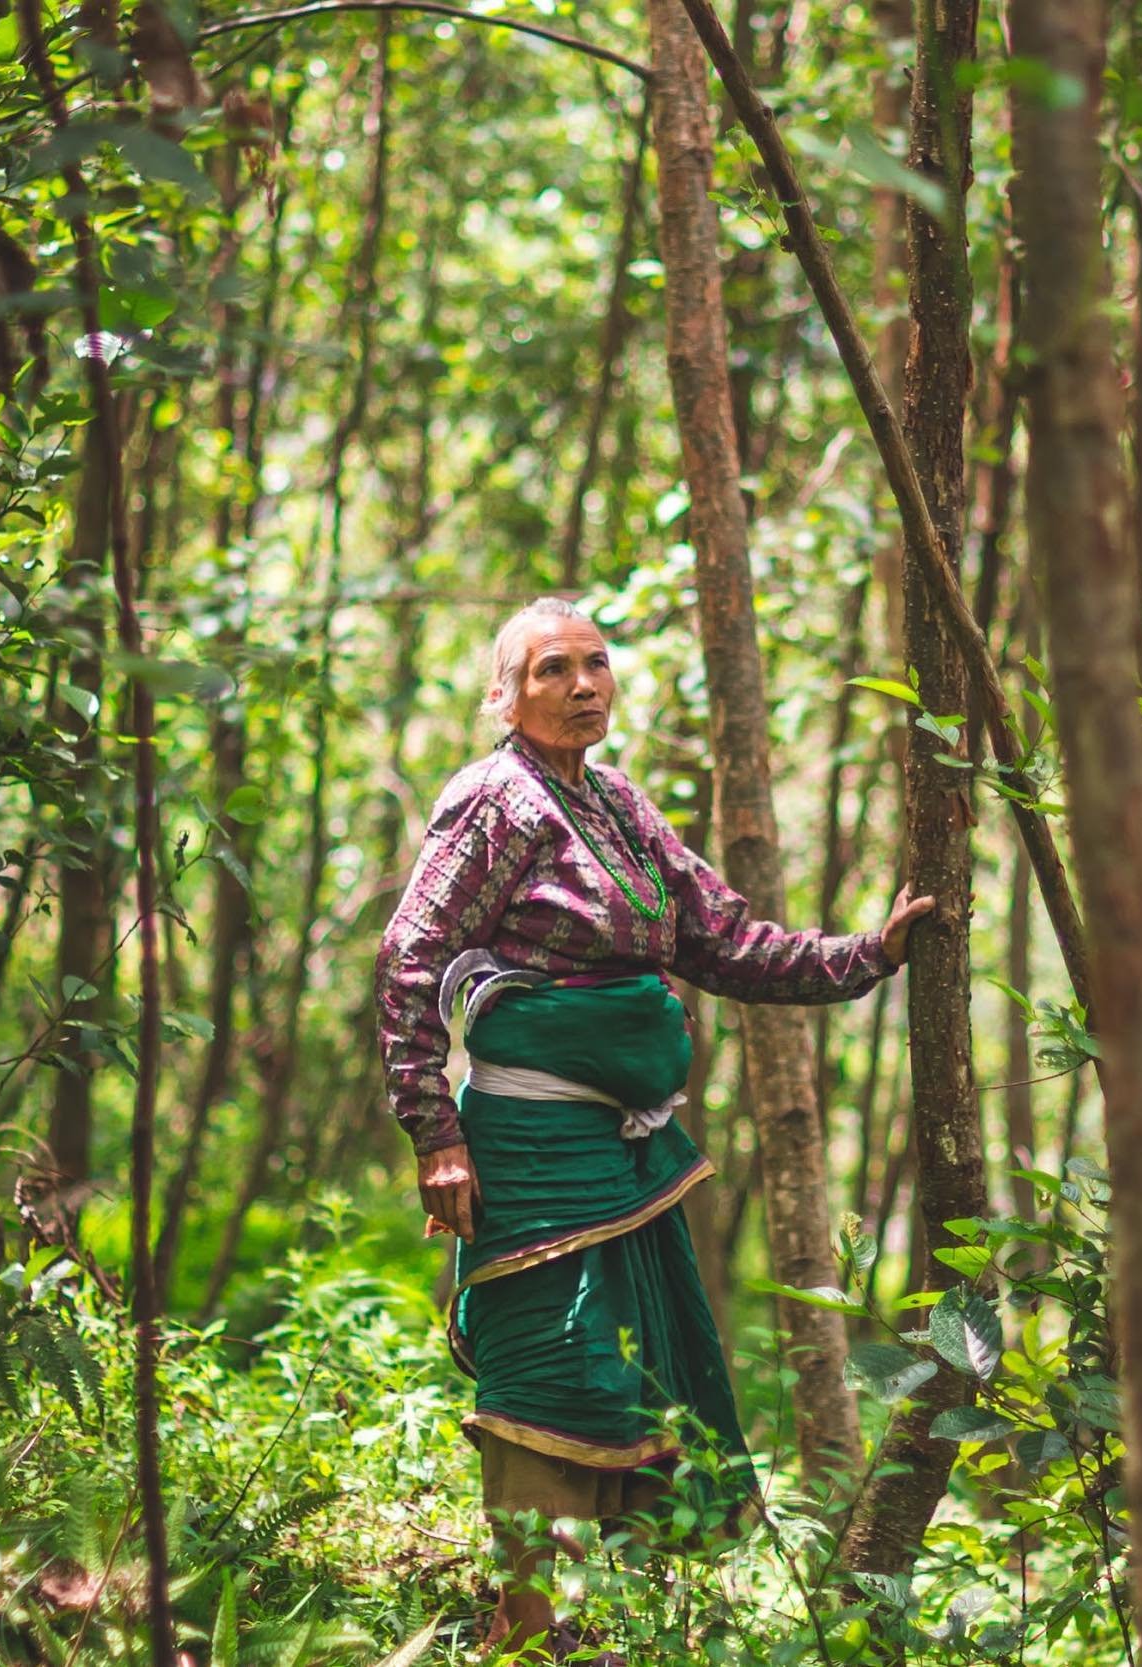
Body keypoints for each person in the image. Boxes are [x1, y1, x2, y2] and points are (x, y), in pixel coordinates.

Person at [373, 597, 932, 1663]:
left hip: (624, 1158)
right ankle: (533, 1633)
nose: (583, 684)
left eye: (595, 662)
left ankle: (545, 1624)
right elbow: (411, 955)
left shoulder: (617, 802)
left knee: (614, 1364)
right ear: (507, 692)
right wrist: (434, 1133)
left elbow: (721, 937)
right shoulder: (491, 800)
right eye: (551, 669)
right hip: (529, 1155)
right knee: (546, 1362)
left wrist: (870, 953)